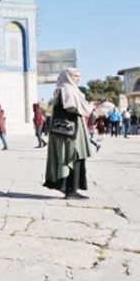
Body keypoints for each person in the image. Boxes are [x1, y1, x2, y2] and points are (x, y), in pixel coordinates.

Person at [44, 68, 94, 199]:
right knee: (72, 157)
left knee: (74, 158)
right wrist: (88, 108)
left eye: (79, 76)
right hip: (69, 133)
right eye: (75, 76)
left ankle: (70, 188)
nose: (78, 78)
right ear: (68, 76)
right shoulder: (66, 89)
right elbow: (71, 108)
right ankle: (70, 190)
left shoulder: (69, 90)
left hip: (71, 131)